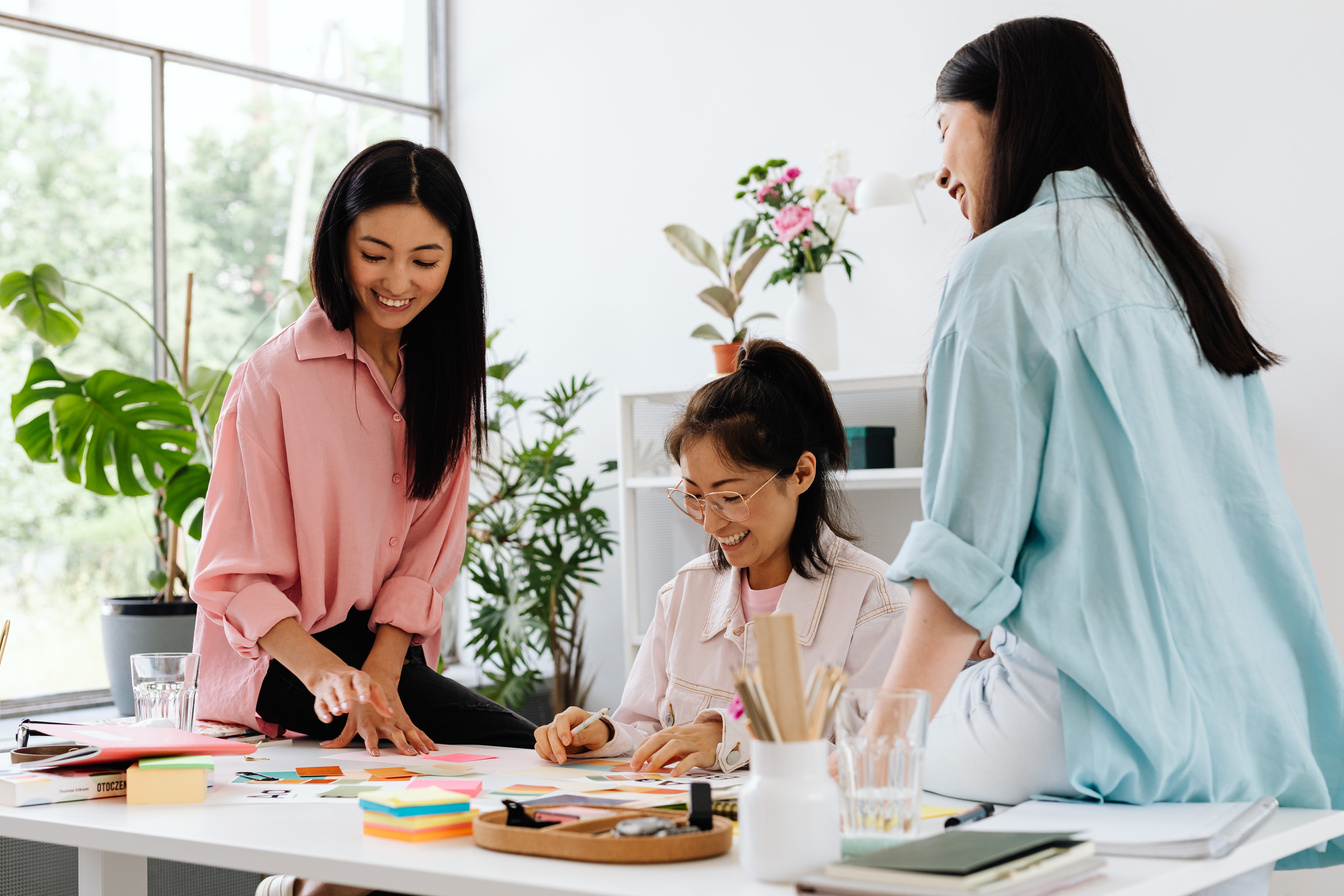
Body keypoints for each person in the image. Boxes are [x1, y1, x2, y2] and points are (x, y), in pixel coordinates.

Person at [875, 16, 1344, 893]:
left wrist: (867, 764)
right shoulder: (1184, 268)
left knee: (877, 756)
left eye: (943, 128)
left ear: (1003, 114)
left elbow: (959, 564)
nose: (938, 168)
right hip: (1246, 720)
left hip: (1099, 718)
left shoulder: (1000, 268)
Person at [191, 140, 536, 764]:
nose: (398, 283)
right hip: (283, 658)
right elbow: (234, 573)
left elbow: (427, 552)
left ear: (455, 262)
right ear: (338, 244)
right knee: (510, 746)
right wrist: (330, 678)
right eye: (374, 255)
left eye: (424, 261)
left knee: (515, 747)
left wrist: (378, 676)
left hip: (381, 650)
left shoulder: (444, 379)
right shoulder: (273, 381)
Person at [534, 339, 907, 775]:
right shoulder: (683, 593)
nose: (710, 524)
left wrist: (735, 738)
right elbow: (645, 725)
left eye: (731, 497)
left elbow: (876, 758)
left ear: (801, 474)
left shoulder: (874, 603)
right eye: (695, 496)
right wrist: (603, 735)